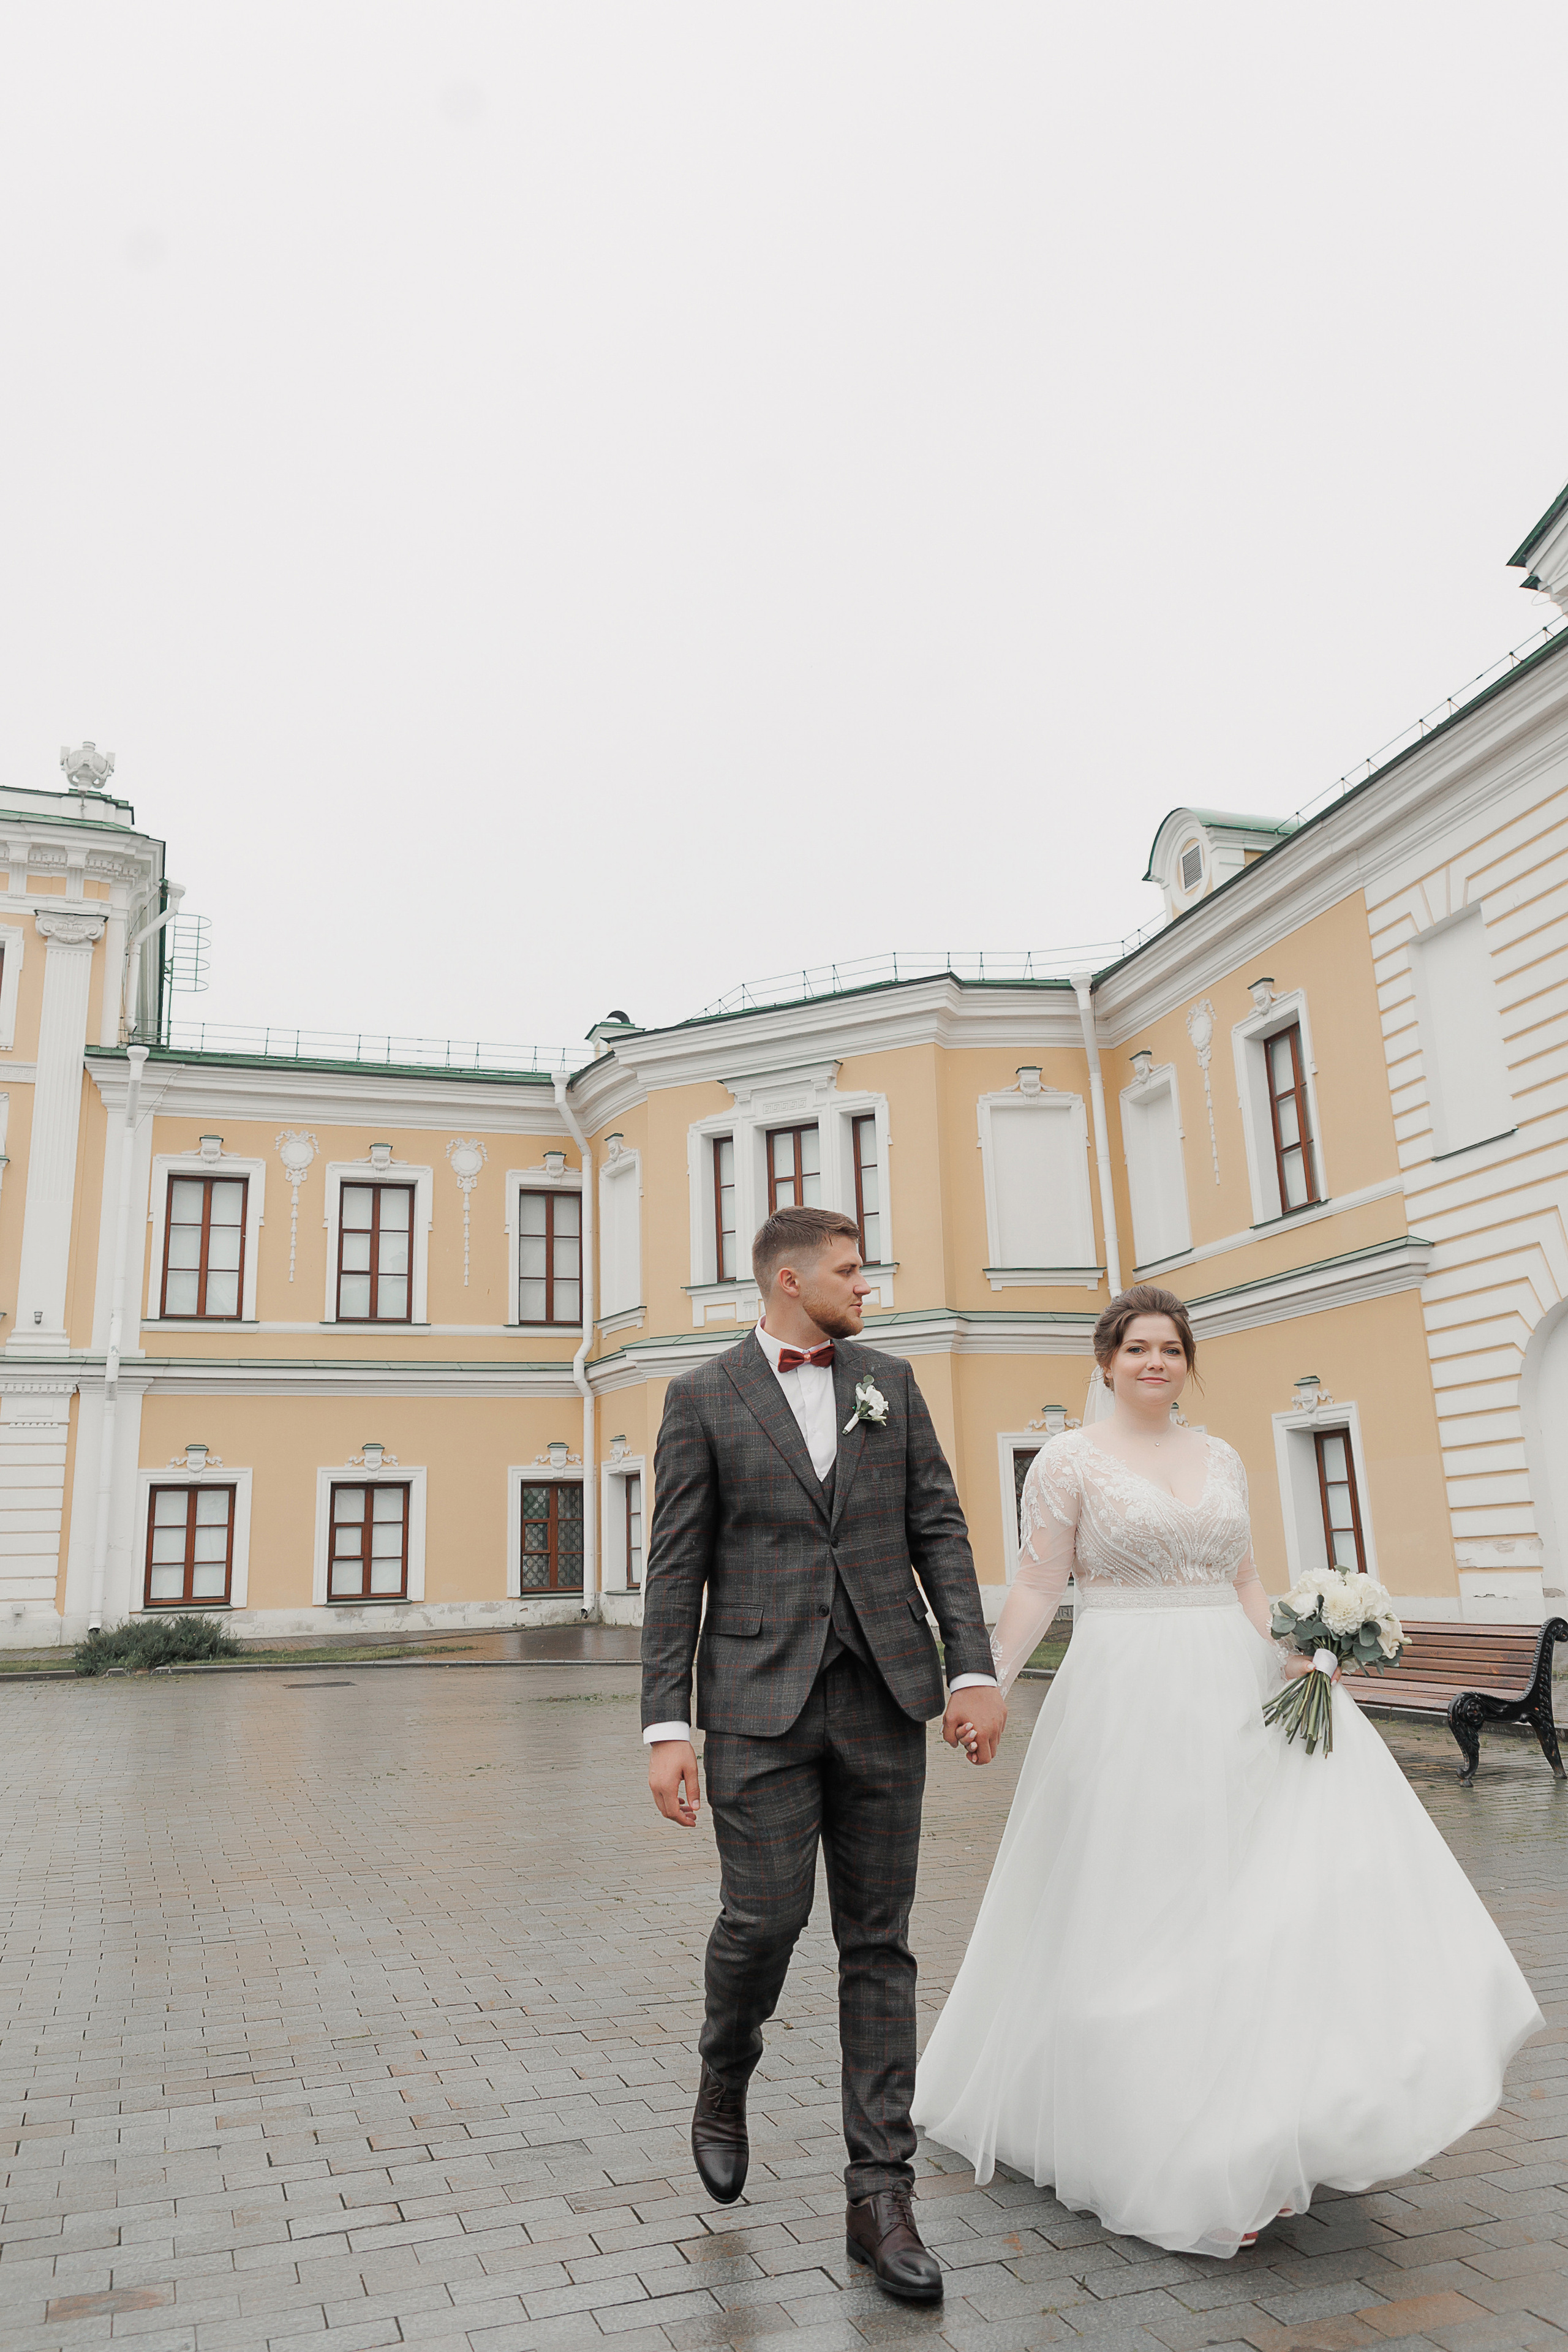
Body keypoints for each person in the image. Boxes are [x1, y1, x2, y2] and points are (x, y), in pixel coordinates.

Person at [912, 1283, 1543, 2259]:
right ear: (1107, 1362)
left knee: (1258, 1896)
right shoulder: (1070, 1461)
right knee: (1146, 1905)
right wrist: (984, 1678)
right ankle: (1160, 2136)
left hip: (1238, 1685)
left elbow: (1249, 1578)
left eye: (1170, 1348)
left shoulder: (1223, 1456)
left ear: (1187, 1361)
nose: (1155, 1363)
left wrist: (1297, 1653)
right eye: (1137, 1350)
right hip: (1126, 1693)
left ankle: (1258, 2128)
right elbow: (1041, 1581)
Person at [640, 1205, 1006, 2304]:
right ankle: (724, 2068)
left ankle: (879, 2201)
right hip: (756, 1704)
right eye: (852, 1270)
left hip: (886, 1693)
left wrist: (972, 1668)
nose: (869, 1284)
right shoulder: (701, 1397)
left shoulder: (888, 1377)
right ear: (790, 1281)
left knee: (879, 1945)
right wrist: (667, 1725)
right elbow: (676, 1566)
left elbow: (938, 1528)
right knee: (762, 1918)